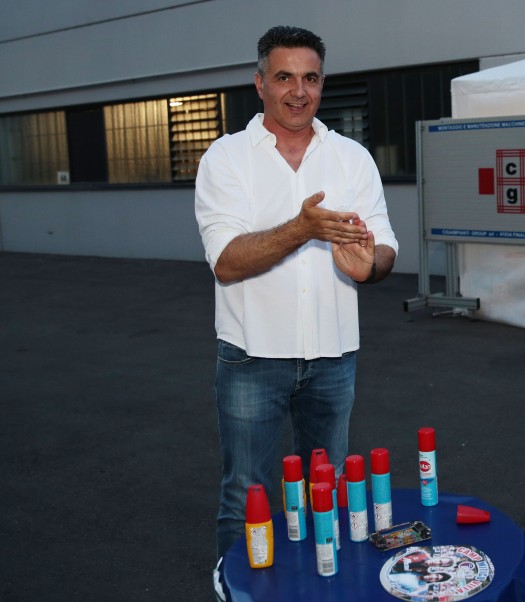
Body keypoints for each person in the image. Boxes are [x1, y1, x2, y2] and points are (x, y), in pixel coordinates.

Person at [194, 25, 398, 600]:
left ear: (322, 83)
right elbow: (227, 261)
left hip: (333, 356)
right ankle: (242, 592)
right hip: (251, 356)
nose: (299, 91)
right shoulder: (226, 158)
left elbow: (385, 245)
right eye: (284, 77)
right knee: (247, 494)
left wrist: (370, 266)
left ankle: (314, 588)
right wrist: (303, 229)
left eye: (310, 78)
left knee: (322, 491)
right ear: (260, 83)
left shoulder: (351, 157)